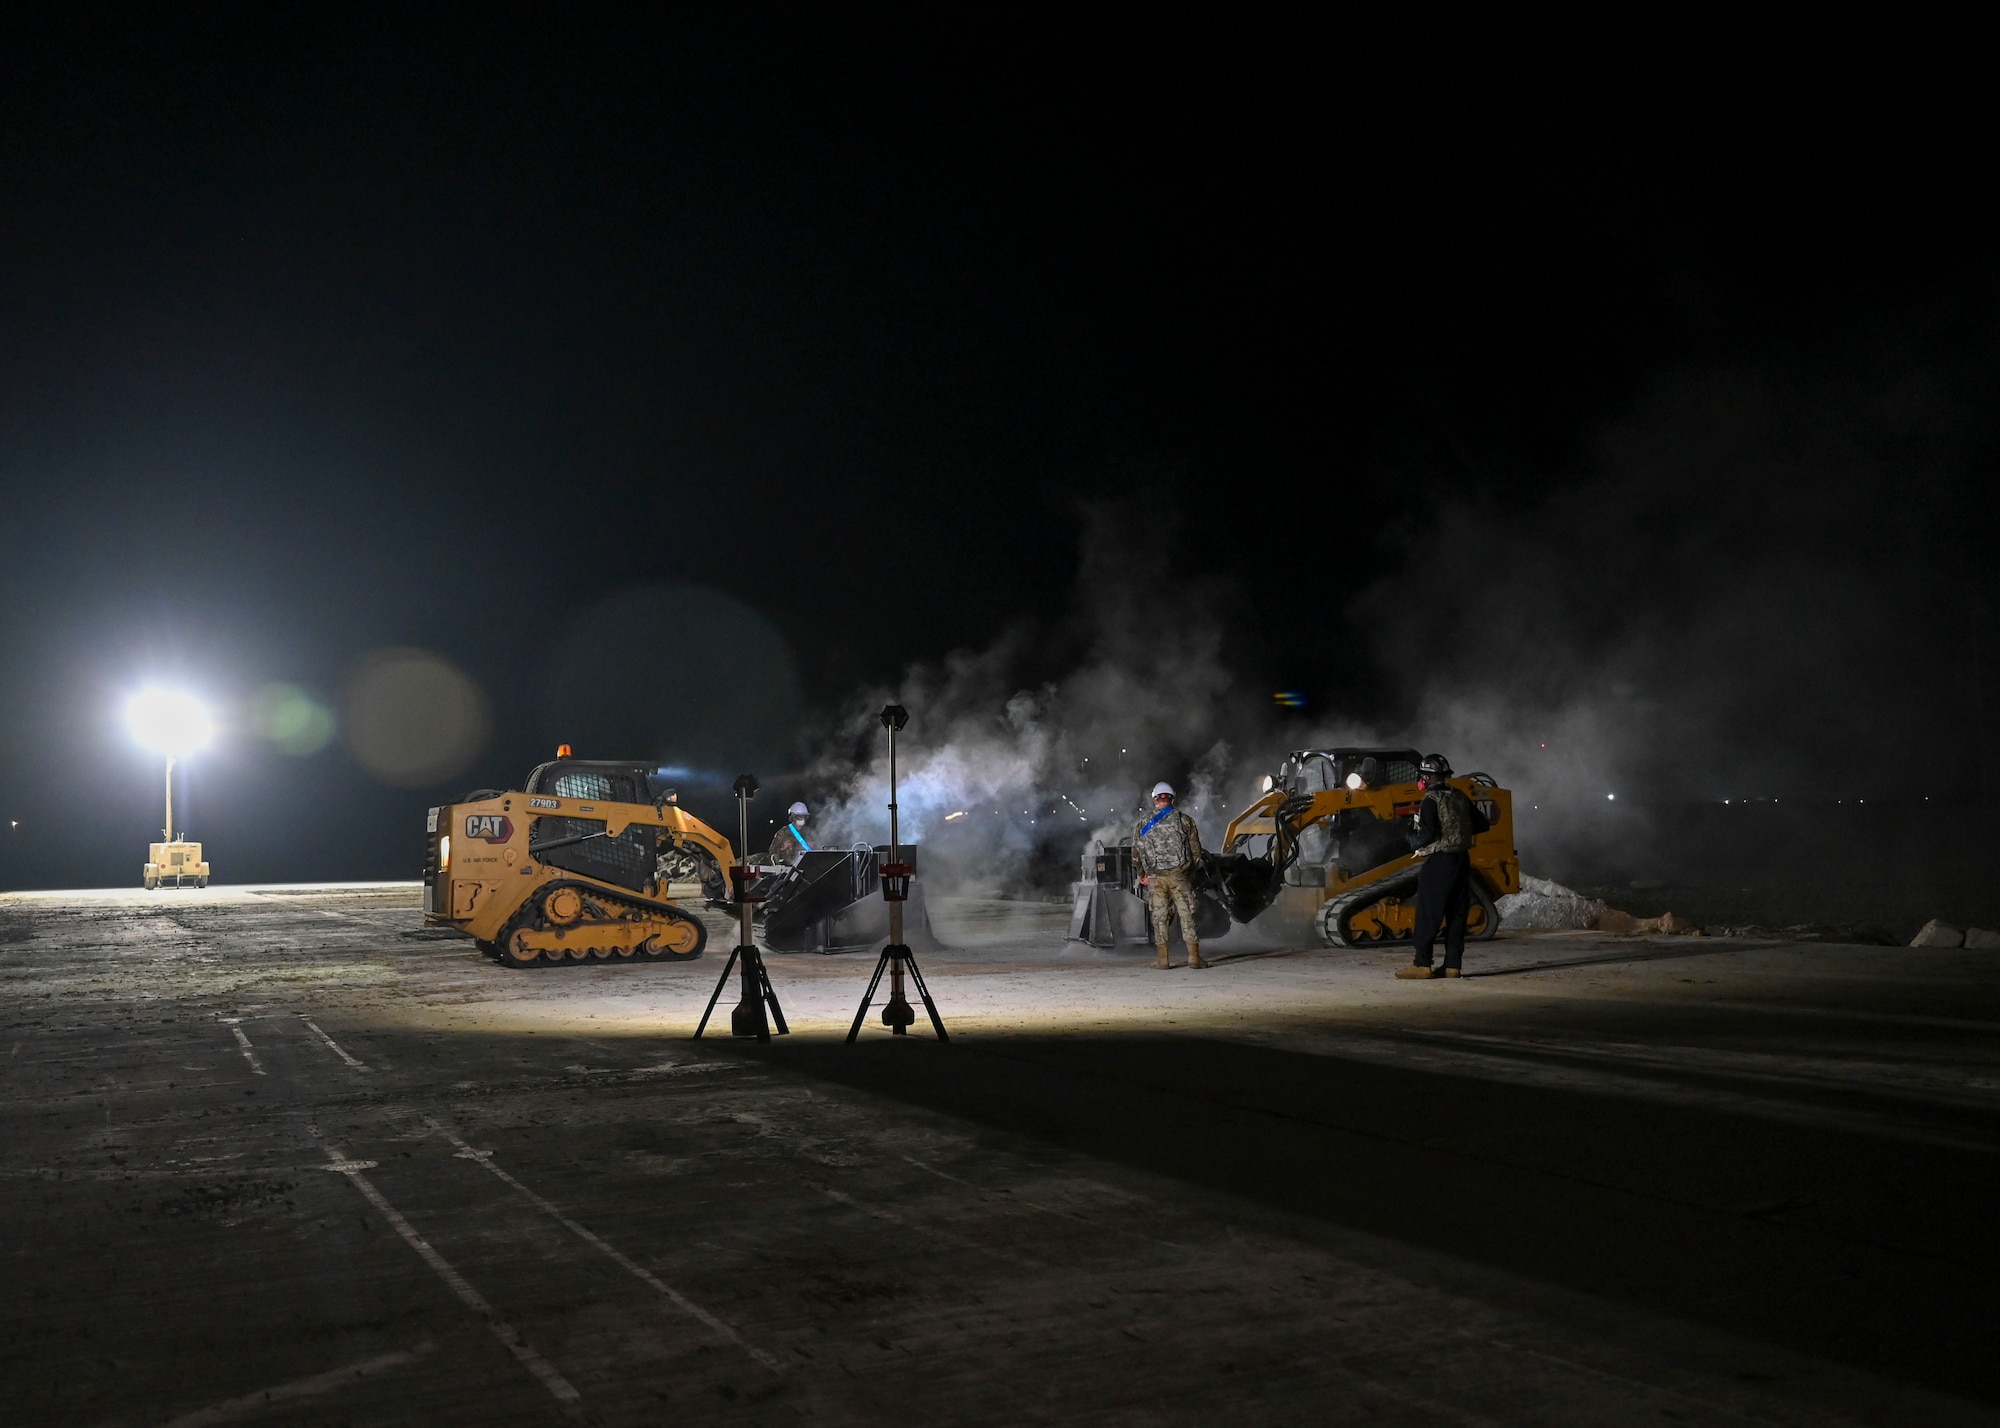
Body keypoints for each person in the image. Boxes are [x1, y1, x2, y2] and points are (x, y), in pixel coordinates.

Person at [1396, 754, 1489, 980]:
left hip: (1439, 861)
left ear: (1426, 778)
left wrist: (1410, 838)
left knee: (1429, 912)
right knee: (1457, 913)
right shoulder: (1459, 796)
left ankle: (1422, 964)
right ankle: (1452, 965)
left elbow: (1427, 835)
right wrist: (1457, 832)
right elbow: (1482, 823)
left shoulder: (1430, 800)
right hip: (1461, 859)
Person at [1133, 781, 1207, 970]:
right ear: (1173, 799)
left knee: (1160, 917)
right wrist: (1188, 875)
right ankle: (1194, 958)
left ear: (1155, 800)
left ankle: (1163, 960)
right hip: (1179, 876)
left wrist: (1142, 874)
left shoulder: (1142, 823)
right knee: (1187, 915)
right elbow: (1196, 852)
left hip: (1155, 878)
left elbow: (1136, 854)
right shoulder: (1185, 820)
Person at [768, 801, 814, 869]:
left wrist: (814, 846)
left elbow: (820, 850)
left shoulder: (809, 832)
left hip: (807, 868)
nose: (802, 819)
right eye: (799, 816)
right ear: (793, 817)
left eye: (804, 816)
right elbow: (772, 852)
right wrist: (781, 848)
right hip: (788, 870)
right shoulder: (783, 832)